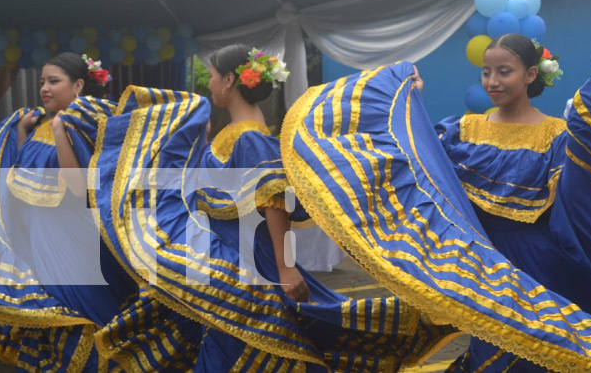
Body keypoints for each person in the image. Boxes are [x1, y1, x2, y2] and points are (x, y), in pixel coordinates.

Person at [281, 34, 591, 372]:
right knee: (487, 351)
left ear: (530, 75)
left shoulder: (557, 135)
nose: (492, 81)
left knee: (530, 355)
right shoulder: (459, 130)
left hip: (536, 268)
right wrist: (409, 100)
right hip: (476, 263)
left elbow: (580, 202)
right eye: (486, 72)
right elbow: (415, 165)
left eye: (504, 71)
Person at [91, 44, 455, 372]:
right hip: (229, 254)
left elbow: (274, 202)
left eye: (214, 76)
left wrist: (285, 267)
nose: (211, 84)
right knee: (228, 342)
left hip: (252, 260)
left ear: (230, 80)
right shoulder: (231, 132)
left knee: (244, 346)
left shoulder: (250, 136)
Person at [0, 52, 135, 372]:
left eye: (54, 81)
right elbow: (23, 171)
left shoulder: (83, 123)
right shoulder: (44, 120)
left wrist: (60, 131)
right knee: (44, 325)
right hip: (38, 240)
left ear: (79, 85)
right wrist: (23, 132)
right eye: (42, 81)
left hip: (71, 242)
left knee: (81, 318)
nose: (44, 87)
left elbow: (79, 188)